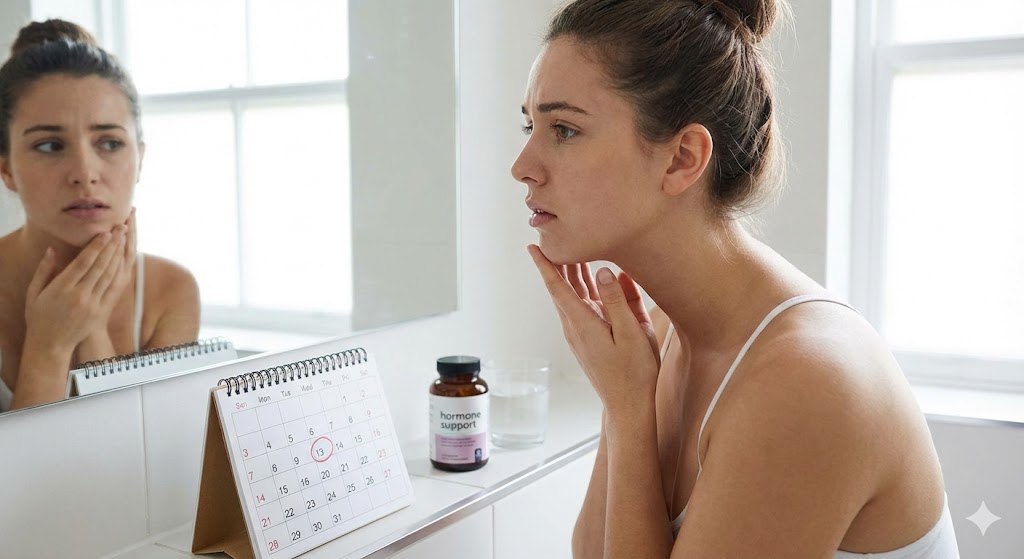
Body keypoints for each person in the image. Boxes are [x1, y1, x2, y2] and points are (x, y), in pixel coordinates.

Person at [512, 0, 960, 557]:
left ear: (682, 158)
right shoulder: (658, 332)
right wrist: (623, 404)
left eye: (565, 129)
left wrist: (632, 415)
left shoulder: (806, 380)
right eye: (530, 124)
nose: (522, 164)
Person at [0, 20, 200, 412]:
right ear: (6, 169)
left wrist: (89, 324)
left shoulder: (170, 291)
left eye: (109, 142)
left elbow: (134, 464)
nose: (85, 173)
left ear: (139, 158)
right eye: (49, 145)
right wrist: (49, 346)